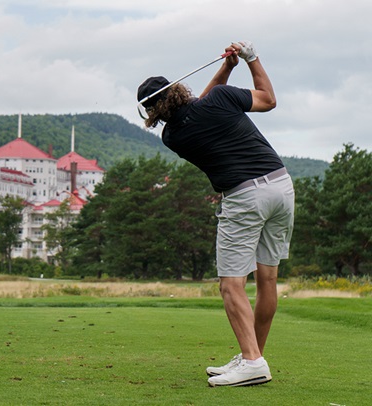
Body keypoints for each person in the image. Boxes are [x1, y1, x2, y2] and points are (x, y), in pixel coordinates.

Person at [137, 41, 295, 387]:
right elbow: (268, 99)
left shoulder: (172, 135)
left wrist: (226, 69)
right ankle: (253, 356)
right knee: (267, 279)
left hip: (244, 197)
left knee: (230, 284)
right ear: (179, 88)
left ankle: (253, 361)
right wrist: (250, 60)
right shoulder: (221, 101)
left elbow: (201, 105)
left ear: (152, 112)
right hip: (281, 187)